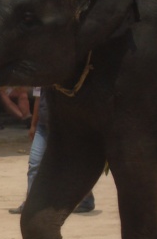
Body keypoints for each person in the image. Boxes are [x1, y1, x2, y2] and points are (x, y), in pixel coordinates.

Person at [9, 87, 95, 215]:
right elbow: (38, 98)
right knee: (34, 164)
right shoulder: (43, 78)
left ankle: (87, 197)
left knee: (72, 165)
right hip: (43, 127)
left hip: (63, 125)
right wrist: (33, 125)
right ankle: (31, 203)